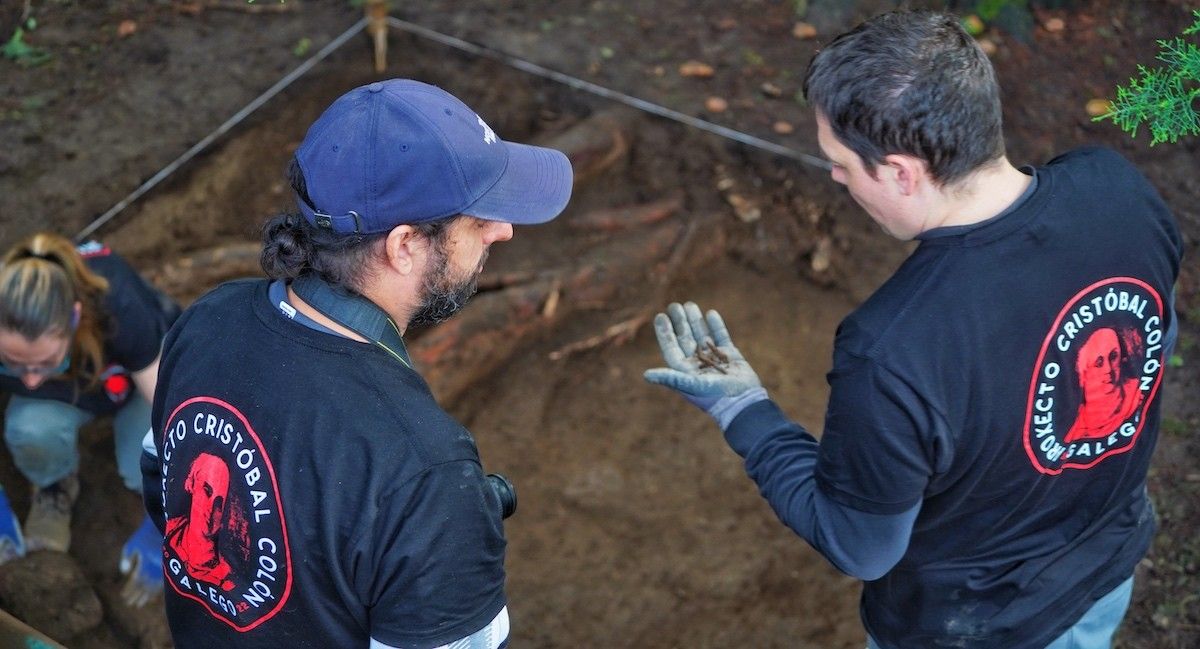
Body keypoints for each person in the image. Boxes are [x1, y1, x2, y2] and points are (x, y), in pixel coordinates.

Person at [644, 10, 1182, 649]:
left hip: (974, 629)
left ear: (901, 171)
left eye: (841, 163)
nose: (835, 178)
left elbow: (861, 546)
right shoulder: (1115, 190)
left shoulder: (893, 349)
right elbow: (1155, 339)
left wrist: (742, 409)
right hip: (1105, 570)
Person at [142, 78, 572, 648]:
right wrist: (447, 529)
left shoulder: (206, 321)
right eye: (479, 218)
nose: (504, 229)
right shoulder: (427, 472)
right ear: (405, 246)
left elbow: (162, 476)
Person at [0, 232, 180, 607]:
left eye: (43, 362)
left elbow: (176, 421)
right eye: (14, 364)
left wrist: (169, 523)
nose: (29, 379)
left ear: (75, 317)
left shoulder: (117, 303)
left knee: (142, 469)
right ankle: (54, 487)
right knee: (29, 429)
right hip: (67, 391)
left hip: (135, 385)